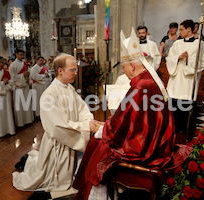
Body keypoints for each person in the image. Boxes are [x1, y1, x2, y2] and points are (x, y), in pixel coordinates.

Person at [73, 27, 191, 199]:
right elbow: (130, 118)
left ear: (133, 65)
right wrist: (107, 125)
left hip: (146, 148)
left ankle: (93, 195)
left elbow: (122, 124)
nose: (122, 71)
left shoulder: (141, 86)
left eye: (124, 67)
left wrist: (102, 129)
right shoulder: (148, 80)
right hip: (155, 141)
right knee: (99, 140)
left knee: (98, 146)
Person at [12, 53, 96, 191]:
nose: (76, 73)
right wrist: (86, 126)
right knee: (56, 182)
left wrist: (88, 120)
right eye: (72, 70)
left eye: (76, 70)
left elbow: (82, 108)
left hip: (70, 140)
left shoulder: (69, 88)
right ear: (60, 71)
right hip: (58, 144)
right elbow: (58, 126)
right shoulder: (49, 95)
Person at [166, 19, 204, 133]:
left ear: (189, 29)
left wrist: (190, 59)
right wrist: (177, 57)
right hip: (176, 79)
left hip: (189, 80)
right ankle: (173, 131)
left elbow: (203, 62)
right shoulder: (177, 43)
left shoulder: (200, 44)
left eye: (181, 29)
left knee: (186, 107)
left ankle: (185, 132)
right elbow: (169, 58)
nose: (179, 32)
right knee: (173, 105)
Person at [9, 49, 34, 127]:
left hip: (25, 86)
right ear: (16, 54)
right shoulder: (13, 65)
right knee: (20, 105)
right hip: (18, 87)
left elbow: (29, 73)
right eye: (20, 55)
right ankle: (20, 123)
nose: (22, 56)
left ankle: (28, 120)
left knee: (26, 103)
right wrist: (22, 75)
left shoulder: (25, 64)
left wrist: (29, 78)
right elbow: (12, 77)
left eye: (23, 55)